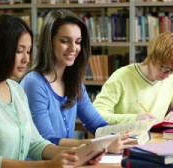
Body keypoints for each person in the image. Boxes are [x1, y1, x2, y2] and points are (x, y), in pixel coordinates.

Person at [0, 14, 104, 168]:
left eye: (28, 51)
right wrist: (48, 165)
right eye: (20, 51)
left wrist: (77, 155)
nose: (26, 59)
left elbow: (35, 143)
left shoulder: (16, 89)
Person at [20, 9, 134, 154]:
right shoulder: (34, 83)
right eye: (65, 41)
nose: (73, 48)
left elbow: (98, 125)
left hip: (67, 161)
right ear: (49, 42)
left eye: (78, 42)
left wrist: (127, 136)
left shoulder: (75, 84)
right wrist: (98, 145)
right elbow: (47, 140)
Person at [93, 32, 173, 125]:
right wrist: (134, 119)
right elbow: (96, 114)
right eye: (165, 68)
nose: (168, 75)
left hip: (155, 141)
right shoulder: (121, 77)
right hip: (123, 141)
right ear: (152, 57)